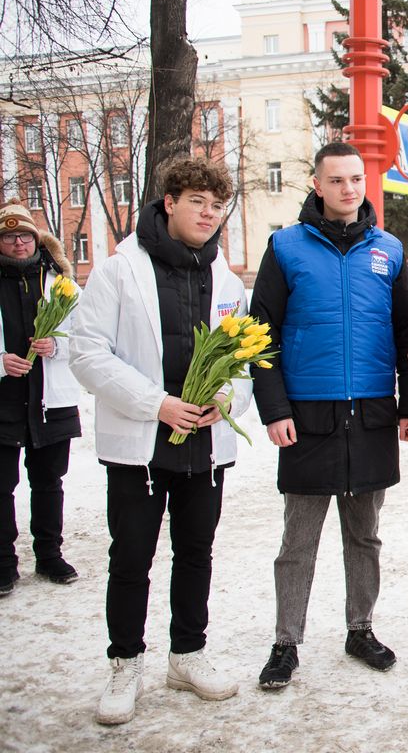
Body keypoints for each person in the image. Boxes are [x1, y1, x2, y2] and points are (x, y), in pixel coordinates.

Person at [70, 157, 250, 725]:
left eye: (217, 205)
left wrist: (225, 403)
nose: (208, 213)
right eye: (197, 201)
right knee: (131, 559)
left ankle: (187, 654)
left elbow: (244, 359)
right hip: (141, 444)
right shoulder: (120, 269)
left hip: (204, 443)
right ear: (169, 202)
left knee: (197, 554)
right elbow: (87, 351)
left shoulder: (223, 277)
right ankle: (125, 663)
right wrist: (157, 404)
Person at [250, 141, 408, 690]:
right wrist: (274, 409)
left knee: (365, 536)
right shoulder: (285, 247)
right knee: (298, 541)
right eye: (337, 180)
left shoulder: (388, 250)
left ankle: (360, 628)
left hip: (372, 414)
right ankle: (285, 642)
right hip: (308, 416)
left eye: (356, 179)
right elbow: (260, 336)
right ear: (317, 185)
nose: (350, 189)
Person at [0, 199, 82, 597]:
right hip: (5, 401)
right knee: (2, 484)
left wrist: (56, 345)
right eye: (9, 236)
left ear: (38, 239)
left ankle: (49, 555)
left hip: (52, 401)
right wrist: (1, 362)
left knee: (49, 481)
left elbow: (86, 338)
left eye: (25, 236)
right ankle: (3, 562)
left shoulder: (60, 283)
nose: (18, 243)